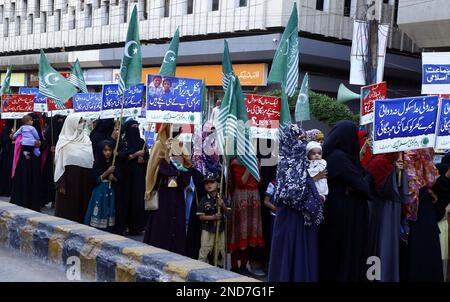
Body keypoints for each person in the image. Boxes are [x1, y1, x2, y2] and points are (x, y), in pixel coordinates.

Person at [268, 123, 324, 282]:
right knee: (291, 252)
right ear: (289, 140)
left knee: (297, 253)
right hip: (292, 217)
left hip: (294, 217)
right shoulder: (289, 161)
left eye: (303, 139)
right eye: (299, 139)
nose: (303, 143)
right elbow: (291, 194)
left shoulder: (297, 159)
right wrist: (310, 192)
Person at [319, 120, 370, 282]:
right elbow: (364, 187)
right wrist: (364, 177)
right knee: (342, 254)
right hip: (344, 215)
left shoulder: (335, 156)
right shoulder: (339, 159)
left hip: (336, 211)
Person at [400, 148, 450, 282]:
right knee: (424, 253)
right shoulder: (422, 153)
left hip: (402, 209)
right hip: (422, 210)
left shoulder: (400, 156)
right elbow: (431, 177)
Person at [143, 136, 192, 255]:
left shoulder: (181, 152)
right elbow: (158, 169)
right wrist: (167, 159)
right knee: (162, 225)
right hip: (164, 197)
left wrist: (182, 168)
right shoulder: (160, 149)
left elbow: (185, 174)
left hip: (177, 196)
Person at [366, 152, 408, 282]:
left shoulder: (385, 162)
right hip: (384, 212)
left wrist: (397, 171)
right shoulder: (381, 162)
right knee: (382, 246)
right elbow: (385, 189)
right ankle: (379, 276)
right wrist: (395, 171)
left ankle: (378, 276)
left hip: (384, 211)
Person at [54, 113, 95, 223]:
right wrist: (61, 184)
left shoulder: (86, 140)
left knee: (83, 209)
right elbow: (59, 165)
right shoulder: (64, 142)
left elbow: (91, 161)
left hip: (84, 181)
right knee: (67, 212)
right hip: (69, 183)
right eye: (79, 122)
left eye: (83, 122)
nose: (82, 124)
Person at [228, 158, 265, 275]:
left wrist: (257, 166)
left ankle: (244, 265)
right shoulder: (235, 162)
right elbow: (241, 182)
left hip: (254, 196)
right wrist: (250, 166)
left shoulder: (257, 161)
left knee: (250, 231)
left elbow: (259, 182)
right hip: (241, 196)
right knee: (238, 231)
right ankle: (234, 266)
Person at [114, 118, 148, 235]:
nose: (135, 129)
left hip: (138, 178)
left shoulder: (142, 142)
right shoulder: (123, 142)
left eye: (136, 127)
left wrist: (143, 159)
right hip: (126, 177)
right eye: (132, 127)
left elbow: (147, 158)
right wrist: (134, 155)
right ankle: (124, 226)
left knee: (137, 201)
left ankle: (137, 227)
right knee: (125, 201)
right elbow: (120, 157)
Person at [10, 114, 42, 211]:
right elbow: (15, 139)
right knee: (24, 178)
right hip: (24, 161)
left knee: (32, 179)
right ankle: (22, 200)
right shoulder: (30, 130)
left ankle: (31, 202)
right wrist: (13, 136)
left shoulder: (23, 129)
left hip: (31, 160)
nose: (33, 122)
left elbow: (41, 142)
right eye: (31, 120)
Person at [197, 172, 229, 267]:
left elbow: (229, 214)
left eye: (212, 182)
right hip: (208, 229)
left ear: (218, 184)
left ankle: (219, 269)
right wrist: (213, 217)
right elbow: (201, 217)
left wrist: (223, 205)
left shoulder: (222, 198)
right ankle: (201, 270)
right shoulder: (204, 200)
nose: (209, 185)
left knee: (220, 250)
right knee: (205, 250)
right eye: (206, 183)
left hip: (220, 230)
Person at [84, 140, 117, 230]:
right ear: (101, 151)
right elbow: (94, 180)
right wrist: (107, 172)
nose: (108, 152)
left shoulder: (113, 162)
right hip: (99, 192)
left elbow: (119, 178)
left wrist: (113, 177)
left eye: (110, 150)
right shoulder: (97, 163)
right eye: (105, 150)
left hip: (110, 192)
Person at [0, 120, 15, 197]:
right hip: (7, 154)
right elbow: (4, 141)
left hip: (7, 155)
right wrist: (11, 138)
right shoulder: (7, 129)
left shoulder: (9, 128)